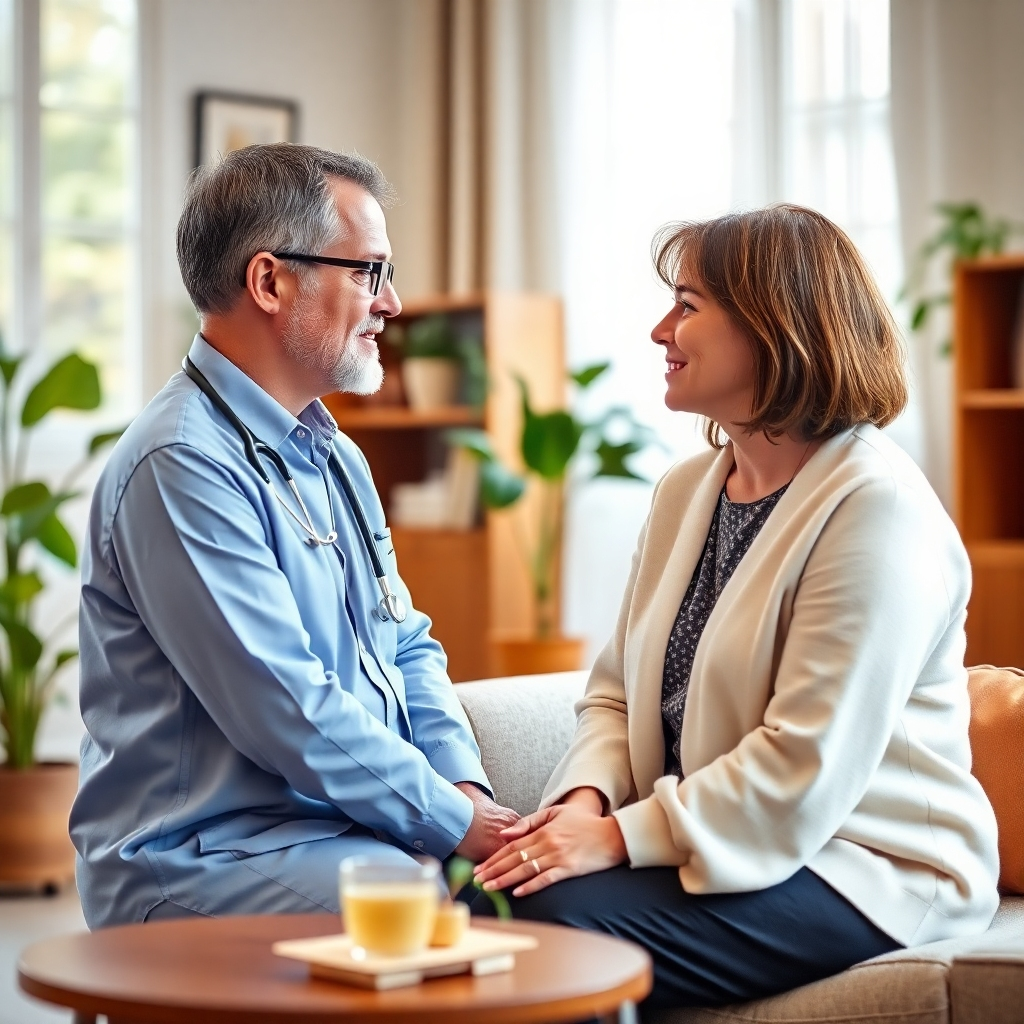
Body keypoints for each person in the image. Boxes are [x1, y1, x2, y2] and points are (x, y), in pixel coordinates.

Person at [473, 205, 1000, 1008]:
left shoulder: (877, 509)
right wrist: (582, 805)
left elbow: (803, 764)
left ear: (773, 328)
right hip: (740, 840)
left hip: (862, 862)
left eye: (686, 306)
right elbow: (614, 695)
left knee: (542, 931)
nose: (659, 330)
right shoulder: (687, 491)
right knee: (486, 900)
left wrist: (615, 839)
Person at [72, 144, 518, 929]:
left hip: (337, 834)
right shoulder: (181, 462)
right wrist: (454, 827)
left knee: (543, 902)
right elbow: (284, 705)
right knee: (458, 917)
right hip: (198, 859)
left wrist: (466, 790)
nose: (393, 302)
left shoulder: (335, 453)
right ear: (271, 281)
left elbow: (404, 642)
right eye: (368, 273)